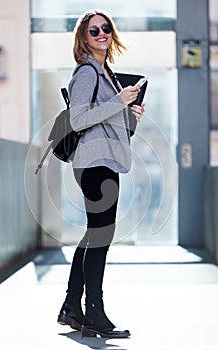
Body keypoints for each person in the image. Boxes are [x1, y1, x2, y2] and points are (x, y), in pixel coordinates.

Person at [57, 9, 145, 338]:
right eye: (94, 30)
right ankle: (94, 313)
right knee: (101, 238)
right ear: (83, 37)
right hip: (95, 165)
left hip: (104, 160)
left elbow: (115, 128)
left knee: (94, 235)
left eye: (106, 28)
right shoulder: (86, 73)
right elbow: (79, 120)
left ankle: (71, 308)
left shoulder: (106, 74)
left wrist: (132, 114)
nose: (101, 34)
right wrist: (119, 101)